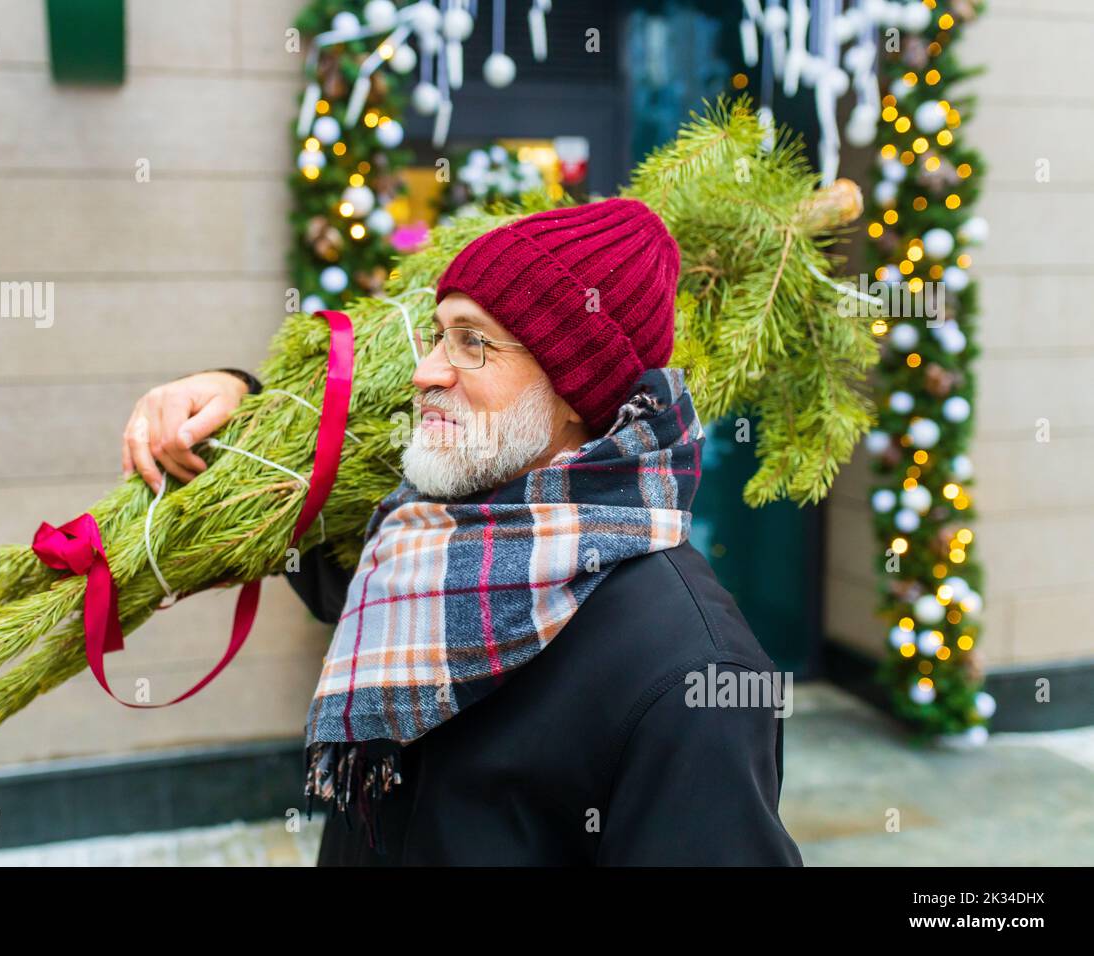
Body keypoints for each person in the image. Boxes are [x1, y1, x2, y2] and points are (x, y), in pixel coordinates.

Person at [120, 197, 804, 866]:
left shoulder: (693, 673)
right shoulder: (426, 539)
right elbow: (299, 536)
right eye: (440, 333)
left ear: (575, 390)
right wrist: (232, 401)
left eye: (473, 342)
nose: (426, 371)